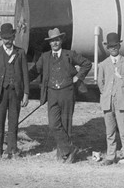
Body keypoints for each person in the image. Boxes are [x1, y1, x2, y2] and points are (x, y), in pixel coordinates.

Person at [34, 28, 91, 164]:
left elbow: (86, 64)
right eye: (52, 41)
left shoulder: (69, 55)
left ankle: (63, 156)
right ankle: (70, 149)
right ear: (49, 43)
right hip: (52, 93)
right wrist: (22, 82)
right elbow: (34, 71)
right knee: (53, 124)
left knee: (66, 125)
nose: (55, 43)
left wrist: (78, 76)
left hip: (67, 93)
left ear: (61, 40)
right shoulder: (45, 57)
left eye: (57, 40)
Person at [0, 23, 29, 159]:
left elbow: (25, 74)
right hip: (0, 94)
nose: (8, 41)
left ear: (14, 36)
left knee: (13, 123)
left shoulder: (20, 53)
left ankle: (12, 150)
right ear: (1, 38)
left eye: (10, 38)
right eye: (5, 38)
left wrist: (26, 93)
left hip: (16, 94)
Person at [96, 32, 124, 166]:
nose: (113, 48)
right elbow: (100, 83)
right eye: (110, 46)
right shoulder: (103, 65)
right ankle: (110, 156)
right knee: (110, 132)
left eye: (115, 45)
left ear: (119, 46)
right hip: (108, 103)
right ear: (107, 48)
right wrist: (107, 94)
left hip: (123, 103)